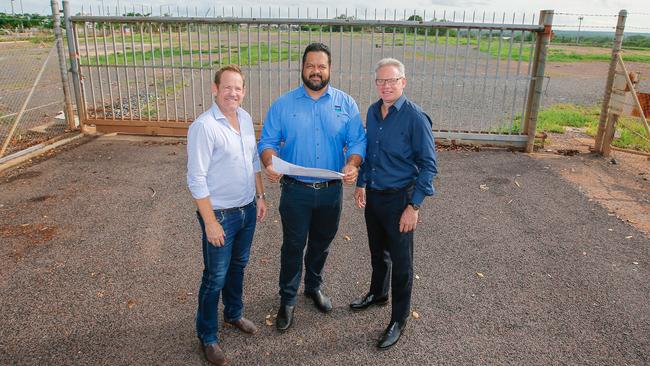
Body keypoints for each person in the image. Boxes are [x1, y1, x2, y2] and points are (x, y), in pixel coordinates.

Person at [258, 43, 367, 332]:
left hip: (331, 191)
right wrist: (269, 163)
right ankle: (288, 298)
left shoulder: (347, 104)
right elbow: (267, 142)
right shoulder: (283, 105)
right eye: (310, 66)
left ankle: (313, 287)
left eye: (321, 66)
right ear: (302, 68)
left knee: (321, 244)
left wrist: (353, 163)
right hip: (295, 191)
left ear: (329, 69)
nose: (315, 71)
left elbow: (357, 143)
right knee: (293, 246)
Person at [350, 58, 437, 349]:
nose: (386, 86)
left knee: (402, 263)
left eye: (392, 80)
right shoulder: (374, 111)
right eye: (381, 81)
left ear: (403, 82)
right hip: (375, 195)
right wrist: (362, 182)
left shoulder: (415, 117)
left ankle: (399, 319)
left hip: (401, 199)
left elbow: (428, 166)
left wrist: (414, 206)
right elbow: (370, 153)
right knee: (378, 252)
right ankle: (378, 293)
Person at [187, 65, 267, 366]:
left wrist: (259, 196)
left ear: (244, 91)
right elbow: (196, 179)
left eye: (238, 88)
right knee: (215, 277)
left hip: (247, 210)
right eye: (227, 87)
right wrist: (210, 222)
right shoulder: (204, 127)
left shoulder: (244, 118)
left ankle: (233, 314)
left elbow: (253, 160)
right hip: (220, 215)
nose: (233, 93)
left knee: (238, 266)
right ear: (215, 89)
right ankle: (207, 336)